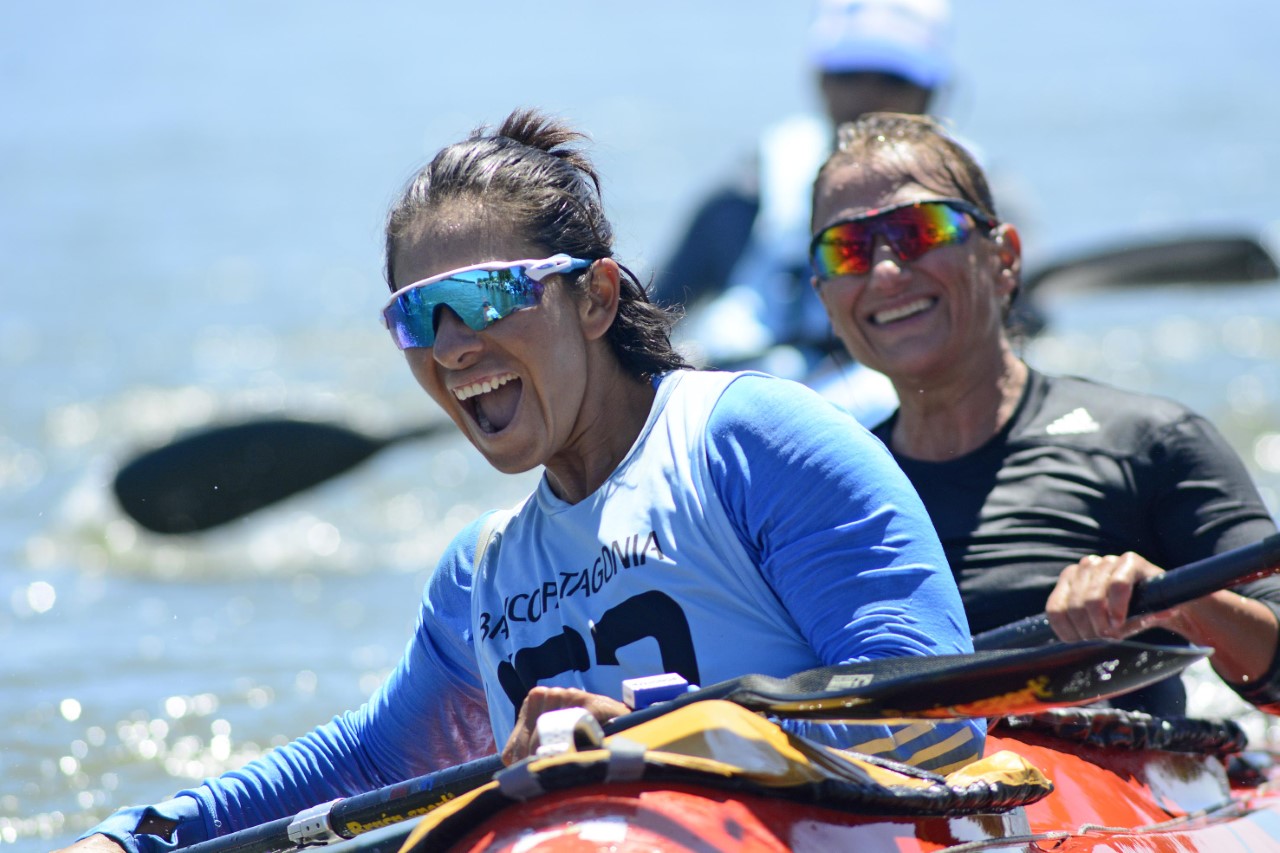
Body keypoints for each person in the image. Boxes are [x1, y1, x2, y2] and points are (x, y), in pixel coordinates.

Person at [66, 109, 981, 853]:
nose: (453, 345)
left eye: (489, 295)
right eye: (419, 316)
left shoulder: (752, 443)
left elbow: (940, 728)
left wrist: (668, 744)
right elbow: (364, 766)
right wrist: (137, 834)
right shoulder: (482, 572)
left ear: (597, 298)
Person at [807, 110, 1280, 716]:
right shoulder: (818, 500)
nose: (886, 271)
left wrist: (1176, 601)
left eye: (919, 231)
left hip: (1105, 770)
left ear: (1004, 258)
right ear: (824, 298)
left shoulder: (1148, 442)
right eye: (846, 249)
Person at [653, 0, 953, 424]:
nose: (867, 96)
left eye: (893, 79)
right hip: (742, 413)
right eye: (848, 74)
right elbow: (652, 314)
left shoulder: (976, 204)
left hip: (890, 423)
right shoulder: (747, 193)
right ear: (820, 79)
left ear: (934, 91)